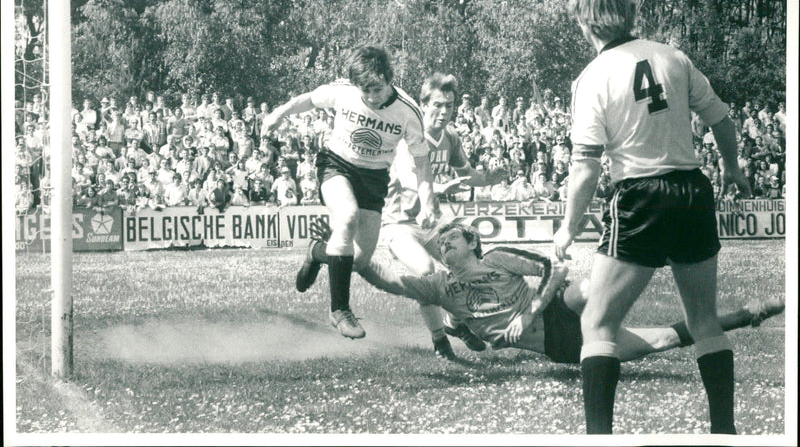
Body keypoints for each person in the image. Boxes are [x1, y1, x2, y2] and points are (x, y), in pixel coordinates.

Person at [553, 0, 752, 434]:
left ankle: (599, 439)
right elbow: (722, 117)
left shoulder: (592, 77)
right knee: (704, 320)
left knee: (598, 326)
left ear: (586, 21)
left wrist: (567, 227)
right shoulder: (672, 56)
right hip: (692, 191)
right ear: (628, 12)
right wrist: (732, 167)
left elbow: (584, 167)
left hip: (642, 197)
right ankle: (725, 432)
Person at [327, 221, 784, 365]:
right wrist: (345, 256)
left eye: (453, 237)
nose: (443, 243)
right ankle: (749, 314)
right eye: (440, 242)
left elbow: (554, 267)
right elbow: (387, 279)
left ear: (474, 243)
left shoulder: (499, 258)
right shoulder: (439, 287)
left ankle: (657, 249)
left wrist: (535, 307)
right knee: (665, 339)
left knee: (593, 286)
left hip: (558, 308)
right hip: (560, 344)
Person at [262, 45, 437, 340]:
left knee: (358, 260)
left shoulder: (408, 112)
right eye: (364, 90)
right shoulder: (343, 91)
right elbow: (309, 100)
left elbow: (422, 162)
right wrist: (278, 114)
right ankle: (339, 310)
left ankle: (317, 252)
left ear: (388, 77)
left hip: (374, 178)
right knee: (347, 217)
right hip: (336, 165)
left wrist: (427, 200)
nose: (370, 97)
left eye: (377, 89)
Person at [371, 72, 506, 359]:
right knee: (426, 272)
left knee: (470, 265)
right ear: (422, 105)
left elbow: (468, 175)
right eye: (438, 105)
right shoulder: (409, 136)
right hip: (400, 224)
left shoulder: (451, 138)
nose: (444, 112)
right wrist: (443, 187)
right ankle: (439, 341)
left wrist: (490, 178)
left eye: (450, 105)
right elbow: (410, 180)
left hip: (432, 222)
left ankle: (455, 324)